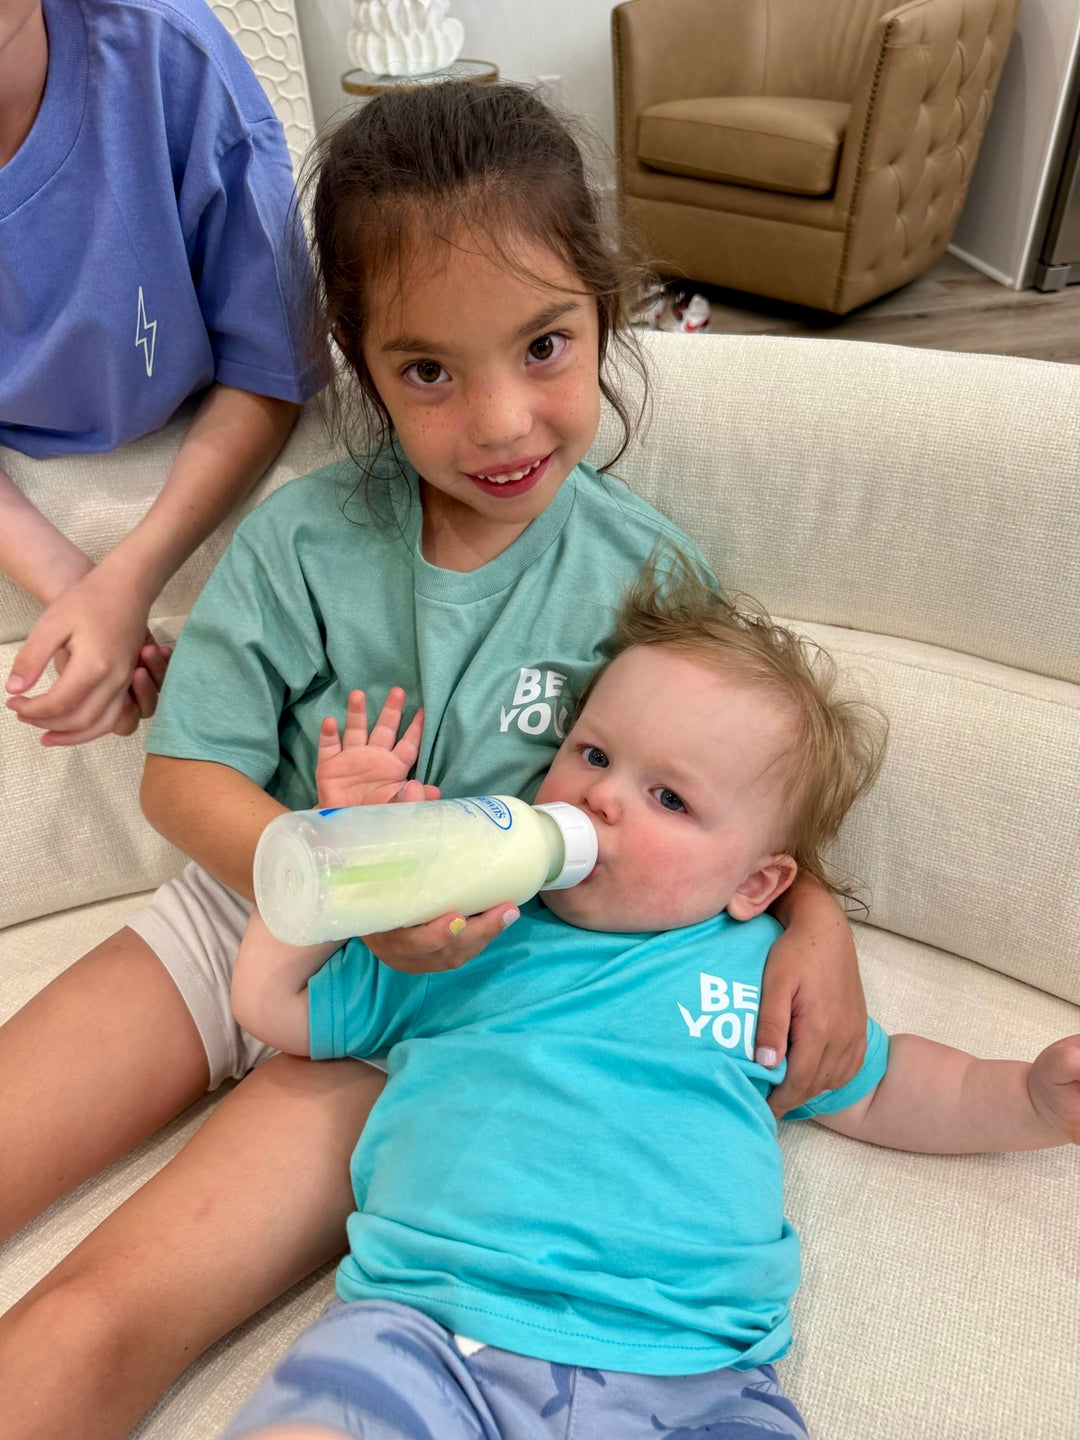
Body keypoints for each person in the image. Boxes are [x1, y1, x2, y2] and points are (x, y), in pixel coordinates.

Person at [0, 82, 865, 1439]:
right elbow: (183, 778)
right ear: (355, 357)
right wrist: (337, 883)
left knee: (88, 1319)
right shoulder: (308, 541)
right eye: (429, 372)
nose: (503, 422)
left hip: (450, 997)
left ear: (602, 314)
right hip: (247, 905)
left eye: (543, 347)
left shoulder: (646, 573)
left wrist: (816, 917)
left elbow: (729, 793)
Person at [223, 570, 1080, 1440]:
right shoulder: (465, 932)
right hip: (432, 1332)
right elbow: (268, 1001)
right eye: (593, 755)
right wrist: (347, 848)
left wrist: (1032, 1101)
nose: (602, 798)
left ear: (757, 882)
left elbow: (886, 1087)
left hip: (696, 1378)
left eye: (669, 798)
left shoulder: (759, 975)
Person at [0, 0, 318, 747]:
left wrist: (126, 581)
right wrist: (80, 593)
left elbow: (272, 366)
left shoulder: (171, 55)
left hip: (196, 425)